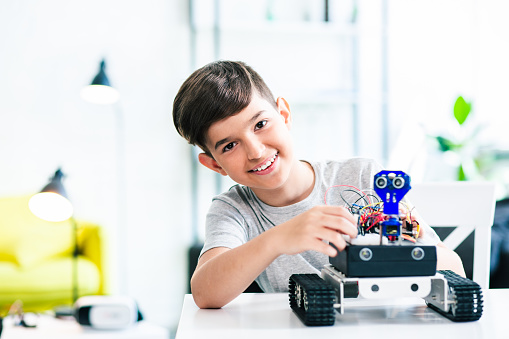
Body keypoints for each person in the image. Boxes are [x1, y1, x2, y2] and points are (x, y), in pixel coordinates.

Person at [172, 60, 465, 309]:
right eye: (229, 145)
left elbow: (454, 268)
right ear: (213, 164)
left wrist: (394, 253)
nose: (256, 151)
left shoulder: (365, 177)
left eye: (260, 125)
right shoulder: (234, 210)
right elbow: (204, 293)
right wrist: (278, 238)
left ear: (284, 115)